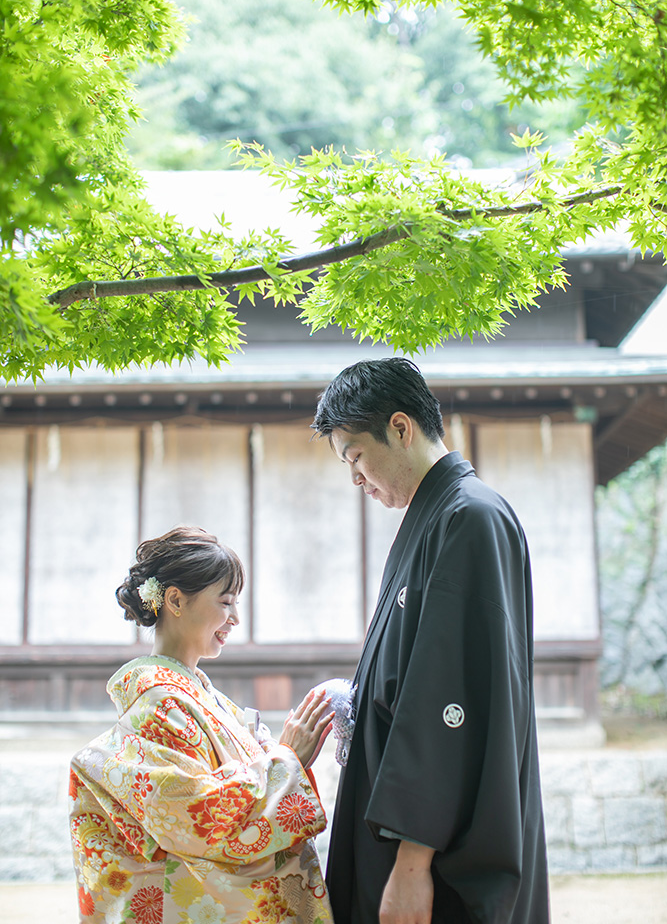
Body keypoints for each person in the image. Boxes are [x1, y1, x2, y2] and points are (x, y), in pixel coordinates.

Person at [312, 358, 550, 924]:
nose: (355, 479)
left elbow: (451, 697)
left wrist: (413, 864)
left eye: (356, 457)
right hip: (404, 826)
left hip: (436, 845)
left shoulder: (470, 517)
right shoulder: (434, 514)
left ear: (400, 427)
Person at [69, 526, 335, 924]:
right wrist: (285, 762)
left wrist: (281, 762)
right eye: (226, 602)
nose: (235, 618)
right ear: (175, 599)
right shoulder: (159, 702)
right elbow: (201, 818)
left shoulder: (193, 695)